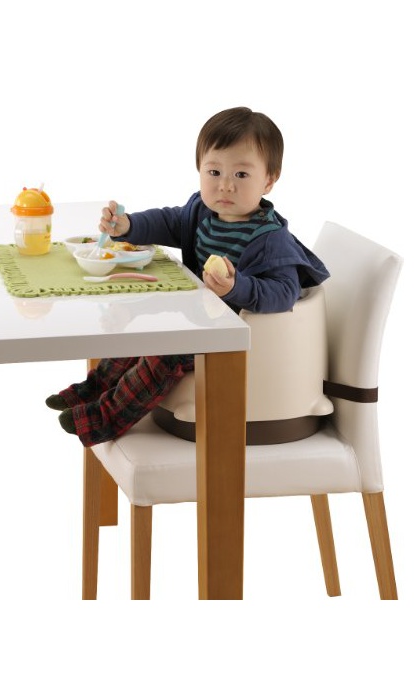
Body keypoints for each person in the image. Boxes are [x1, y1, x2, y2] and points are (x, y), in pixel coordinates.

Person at [46, 106, 330, 447]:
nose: (225, 185)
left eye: (241, 175)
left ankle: (106, 416)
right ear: (199, 170)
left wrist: (236, 286)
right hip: (198, 322)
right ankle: (95, 387)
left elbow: (284, 292)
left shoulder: (270, 239)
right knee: (141, 323)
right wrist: (129, 225)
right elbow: (169, 221)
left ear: (268, 180)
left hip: (233, 339)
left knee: (162, 356)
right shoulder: (201, 211)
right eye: (214, 171)